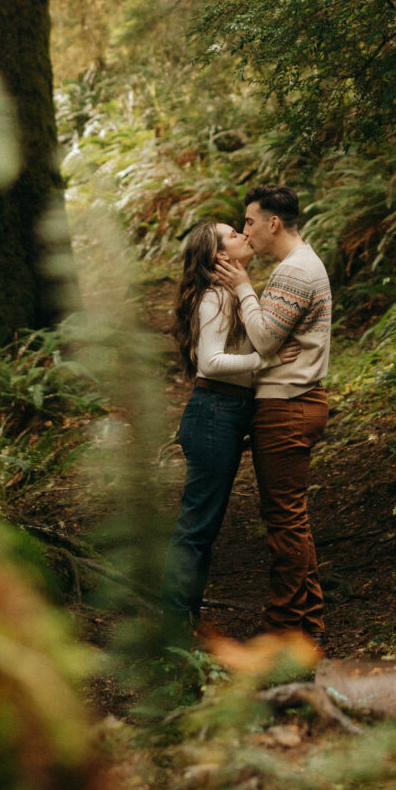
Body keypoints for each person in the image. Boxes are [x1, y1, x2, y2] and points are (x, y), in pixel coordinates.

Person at [219, 184, 332, 649]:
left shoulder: (294, 273)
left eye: (248, 221)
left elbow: (264, 340)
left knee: (284, 521)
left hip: (287, 406)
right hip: (293, 401)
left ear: (273, 223)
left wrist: (244, 289)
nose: (244, 229)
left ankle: (284, 628)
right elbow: (269, 340)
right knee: (292, 518)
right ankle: (307, 621)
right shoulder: (299, 266)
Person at [159, 217, 262, 636]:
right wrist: (266, 361)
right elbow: (212, 363)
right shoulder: (215, 298)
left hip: (222, 414)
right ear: (220, 255)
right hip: (213, 413)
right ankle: (173, 627)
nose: (243, 235)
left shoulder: (228, 293)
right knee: (197, 526)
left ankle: (183, 621)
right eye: (233, 234)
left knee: (204, 525)